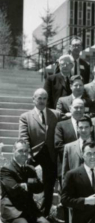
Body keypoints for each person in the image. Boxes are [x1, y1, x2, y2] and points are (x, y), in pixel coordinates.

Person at [18, 88, 60, 216]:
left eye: (44, 98)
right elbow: (23, 138)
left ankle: (45, 214)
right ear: (33, 99)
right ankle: (30, 214)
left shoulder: (56, 115)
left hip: (51, 157)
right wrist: (29, 156)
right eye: (39, 98)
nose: (42, 101)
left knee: (49, 188)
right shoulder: (25, 117)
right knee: (31, 187)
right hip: (33, 157)